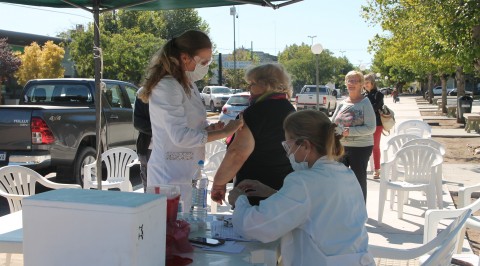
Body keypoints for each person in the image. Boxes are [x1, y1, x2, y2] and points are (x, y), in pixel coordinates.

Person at [228, 110, 374, 266]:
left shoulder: (304, 181)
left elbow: (255, 227)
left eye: (288, 145)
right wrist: (273, 194)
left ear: (305, 145)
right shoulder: (344, 173)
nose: (288, 153)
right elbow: (316, 209)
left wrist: (239, 199)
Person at [138, 30, 243, 213]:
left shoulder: (187, 83)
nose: (206, 66)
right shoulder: (167, 86)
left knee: (187, 227)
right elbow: (180, 136)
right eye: (203, 62)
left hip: (187, 171)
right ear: (185, 58)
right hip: (168, 175)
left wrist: (210, 129)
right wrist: (225, 132)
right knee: (170, 232)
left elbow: (191, 127)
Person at [211, 63, 295, 206]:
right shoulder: (289, 109)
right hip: (282, 187)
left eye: (252, 84)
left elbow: (237, 153)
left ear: (266, 84)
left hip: (254, 189)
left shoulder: (256, 112)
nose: (249, 89)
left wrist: (219, 183)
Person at [332, 70, 376, 201]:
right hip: (341, 147)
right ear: (345, 83)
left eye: (355, 81)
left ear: (362, 84)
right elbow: (333, 122)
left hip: (361, 147)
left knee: (358, 180)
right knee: (339, 180)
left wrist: (349, 131)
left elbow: (371, 127)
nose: (351, 83)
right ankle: (344, 208)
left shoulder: (365, 103)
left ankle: (360, 212)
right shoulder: (342, 103)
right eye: (349, 80)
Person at [363, 73, 384, 179]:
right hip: (365, 124)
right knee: (365, 146)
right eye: (364, 83)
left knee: (375, 147)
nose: (365, 85)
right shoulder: (364, 95)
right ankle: (364, 168)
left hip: (377, 124)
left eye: (367, 83)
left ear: (372, 83)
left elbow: (375, 108)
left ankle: (377, 169)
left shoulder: (379, 94)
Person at [133, 87, 152, 192]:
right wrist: (159, 130)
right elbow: (137, 122)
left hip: (167, 148)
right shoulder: (143, 93)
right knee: (148, 187)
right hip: (148, 148)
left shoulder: (173, 89)